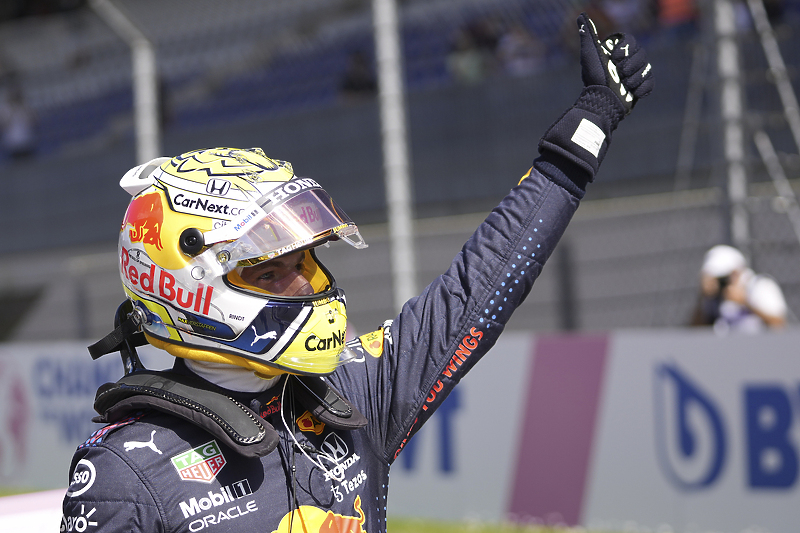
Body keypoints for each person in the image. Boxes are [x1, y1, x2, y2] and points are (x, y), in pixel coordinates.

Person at [61, 13, 653, 533]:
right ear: (186, 284)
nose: (304, 284)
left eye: (305, 262)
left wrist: (581, 137)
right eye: (271, 272)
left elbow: (476, 292)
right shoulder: (124, 472)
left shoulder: (353, 392)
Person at [691, 244, 787, 333]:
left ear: (736, 272)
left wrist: (745, 302)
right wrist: (703, 297)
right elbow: (696, 332)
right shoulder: (713, 298)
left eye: (723, 277)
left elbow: (779, 324)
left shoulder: (759, 286)